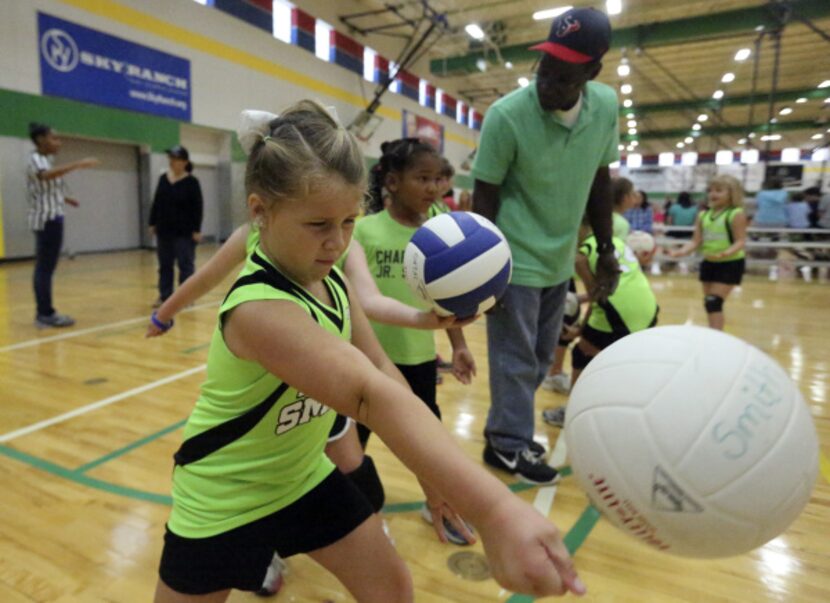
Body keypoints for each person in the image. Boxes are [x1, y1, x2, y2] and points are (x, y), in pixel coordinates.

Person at [153, 101, 585, 602]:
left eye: (349, 222)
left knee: (392, 587)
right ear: (259, 213)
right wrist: (494, 508)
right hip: (223, 496)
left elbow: (381, 367)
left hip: (300, 477)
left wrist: (433, 477)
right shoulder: (258, 310)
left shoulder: (330, 280)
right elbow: (364, 395)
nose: (337, 243)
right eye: (319, 225)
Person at [471, 7, 620, 484]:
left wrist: (607, 250)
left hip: (558, 260)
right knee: (515, 360)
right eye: (543, 69)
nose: (546, 83)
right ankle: (508, 446)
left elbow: (601, 181)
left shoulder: (606, 107)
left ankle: (503, 432)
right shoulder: (507, 117)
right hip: (512, 259)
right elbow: (484, 196)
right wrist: (482, 274)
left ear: (592, 72)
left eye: (562, 76)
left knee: (537, 359)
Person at [358, 137, 478, 544]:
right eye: (422, 178)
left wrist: (458, 345)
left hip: (419, 357)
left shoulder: (440, 228)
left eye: (440, 178)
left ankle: (438, 504)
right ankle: (357, 522)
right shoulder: (363, 231)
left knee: (427, 440)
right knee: (351, 446)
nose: (434, 188)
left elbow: (444, 298)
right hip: (366, 361)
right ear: (392, 181)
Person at [543, 214, 659, 427]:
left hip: (620, 311)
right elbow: (608, 287)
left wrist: (579, 329)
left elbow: (599, 298)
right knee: (620, 357)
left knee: (582, 352)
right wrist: (583, 303)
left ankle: (572, 412)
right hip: (647, 306)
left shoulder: (583, 252)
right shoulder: (614, 242)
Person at [26, 122, 99, 328]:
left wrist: (67, 199)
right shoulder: (36, 159)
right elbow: (45, 176)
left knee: (47, 267)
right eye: (54, 138)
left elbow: (46, 186)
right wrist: (78, 164)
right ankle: (45, 313)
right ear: (41, 140)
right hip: (46, 219)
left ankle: (45, 311)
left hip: (53, 216)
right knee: (44, 268)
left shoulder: (46, 160)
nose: (58, 142)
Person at [668, 175, 747, 331]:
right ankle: (713, 331)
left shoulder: (736, 214)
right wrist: (680, 252)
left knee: (713, 301)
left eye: (719, 190)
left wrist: (726, 253)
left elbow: (740, 241)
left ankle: (716, 336)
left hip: (730, 264)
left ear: (732, 193)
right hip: (709, 263)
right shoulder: (702, 215)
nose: (713, 194)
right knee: (709, 303)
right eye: (710, 190)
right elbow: (696, 241)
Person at [149, 145, 203, 307]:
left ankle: (186, 297)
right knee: (165, 265)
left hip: (184, 232)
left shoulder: (192, 182)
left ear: (185, 162)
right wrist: (152, 223)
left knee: (185, 265)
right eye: (171, 159)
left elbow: (197, 207)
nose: (172, 162)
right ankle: (164, 296)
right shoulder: (163, 179)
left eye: (175, 159)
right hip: (164, 230)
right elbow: (157, 202)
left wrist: (196, 230)